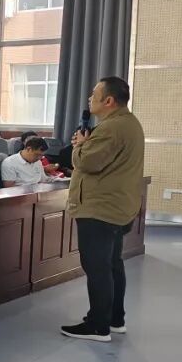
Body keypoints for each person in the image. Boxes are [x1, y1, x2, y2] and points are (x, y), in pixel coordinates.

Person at [60, 77, 145, 342]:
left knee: (97, 267)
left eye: (94, 93)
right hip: (117, 206)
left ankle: (98, 326)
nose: (89, 98)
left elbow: (88, 162)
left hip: (100, 209)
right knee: (111, 264)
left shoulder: (111, 128)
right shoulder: (128, 123)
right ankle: (115, 319)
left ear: (108, 100)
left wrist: (79, 145)